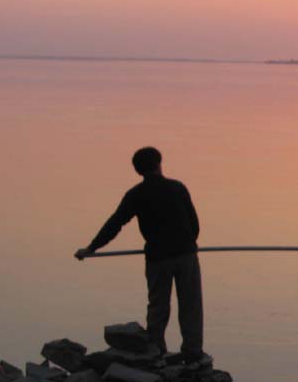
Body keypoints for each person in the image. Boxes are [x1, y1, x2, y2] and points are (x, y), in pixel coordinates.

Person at [75, 147, 209, 365]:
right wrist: (187, 242)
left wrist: (92, 248)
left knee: (158, 305)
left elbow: (115, 223)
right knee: (191, 303)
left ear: (138, 171)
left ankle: (156, 349)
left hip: (157, 257)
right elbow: (195, 226)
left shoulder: (136, 195)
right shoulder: (178, 188)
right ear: (159, 163)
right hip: (185, 254)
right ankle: (193, 351)